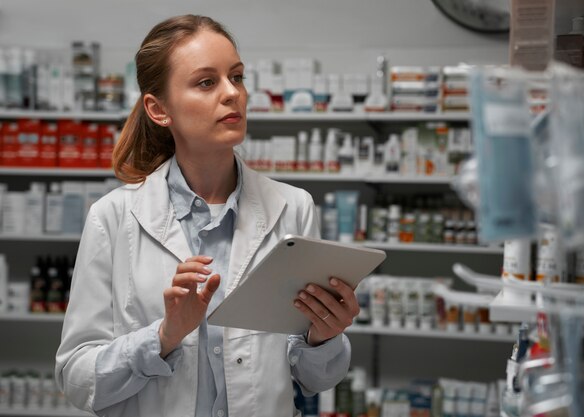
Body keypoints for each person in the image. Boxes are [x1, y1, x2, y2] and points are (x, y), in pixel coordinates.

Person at [55, 15, 359, 417]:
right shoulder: (112, 217)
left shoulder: (293, 208)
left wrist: (324, 336)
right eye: (206, 82)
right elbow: (77, 378)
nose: (232, 93)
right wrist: (165, 336)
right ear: (159, 109)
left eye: (237, 76)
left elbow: (314, 379)